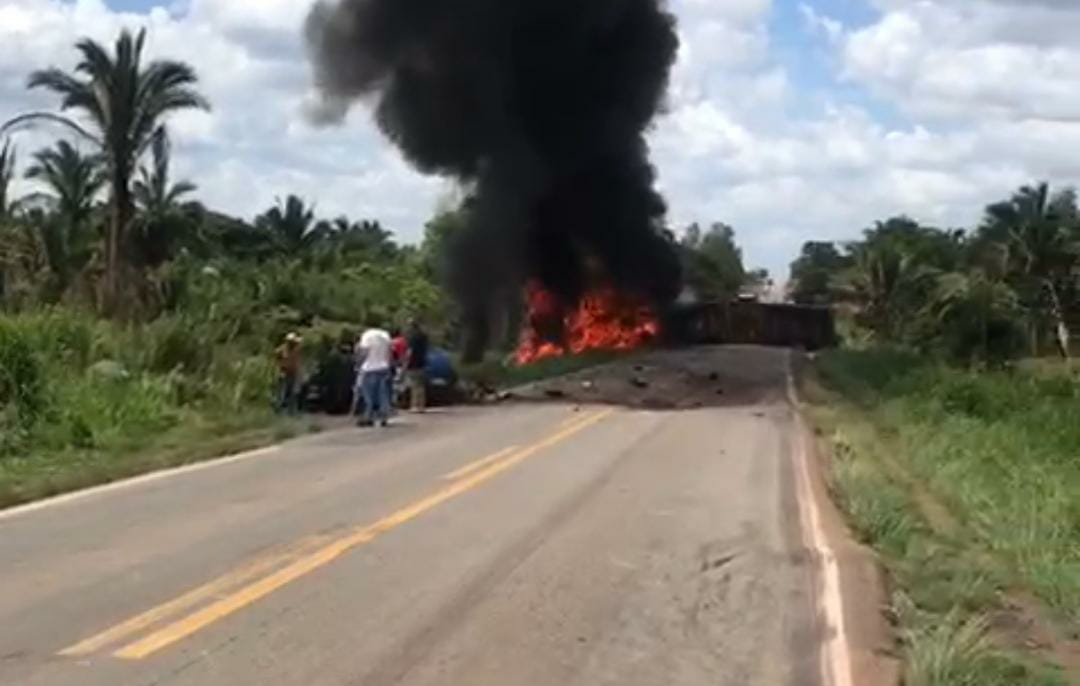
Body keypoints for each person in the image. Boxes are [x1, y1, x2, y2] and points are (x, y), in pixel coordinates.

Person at [355, 321, 393, 427]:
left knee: (368, 395)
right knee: (383, 393)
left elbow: (364, 352)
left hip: (369, 368)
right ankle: (383, 417)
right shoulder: (385, 335)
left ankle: (369, 417)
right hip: (383, 367)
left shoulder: (367, 336)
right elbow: (389, 353)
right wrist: (389, 365)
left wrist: (358, 364)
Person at [405, 319, 430, 412]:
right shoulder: (424, 336)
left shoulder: (412, 337)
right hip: (422, 362)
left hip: (413, 362)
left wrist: (406, 361)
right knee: (421, 385)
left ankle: (415, 405)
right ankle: (422, 405)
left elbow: (410, 351)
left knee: (414, 385)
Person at [274, 332, 302, 414]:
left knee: (292, 392)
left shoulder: (296, 350)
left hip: (293, 373)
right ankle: (280, 409)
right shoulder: (283, 349)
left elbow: (297, 362)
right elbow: (276, 356)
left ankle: (291, 411)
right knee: (282, 392)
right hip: (284, 373)